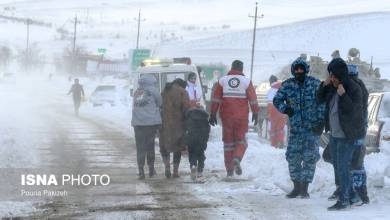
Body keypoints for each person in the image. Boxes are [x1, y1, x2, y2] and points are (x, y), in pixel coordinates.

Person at [317, 58, 365, 210]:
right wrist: (323, 86)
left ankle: (344, 201)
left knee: (344, 167)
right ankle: (352, 196)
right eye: (330, 76)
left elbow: (356, 112)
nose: (332, 79)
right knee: (338, 166)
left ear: (341, 75)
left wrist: (344, 95)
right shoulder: (332, 86)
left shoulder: (353, 88)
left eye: (334, 76)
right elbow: (318, 100)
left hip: (347, 135)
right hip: (335, 135)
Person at [273, 57, 325, 199]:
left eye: (302, 69)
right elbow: (277, 100)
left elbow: (322, 103)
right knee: (293, 157)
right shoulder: (288, 85)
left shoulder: (315, 84)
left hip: (311, 130)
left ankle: (304, 188)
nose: (299, 71)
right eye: (297, 69)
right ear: (293, 70)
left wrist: (321, 122)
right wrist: (286, 109)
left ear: (306, 69)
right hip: (296, 130)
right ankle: (296, 187)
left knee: (310, 158)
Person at [209, 60, 259, 177]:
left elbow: (215, 98)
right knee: (241, 141)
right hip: (241, 117)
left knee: (228, 144)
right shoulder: (246, 81)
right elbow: (253, 98)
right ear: (242, 69)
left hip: (226, 117)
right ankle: (237, 158)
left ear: (231, 68)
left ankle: (229, 171)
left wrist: (212, 113)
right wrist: (256, 112)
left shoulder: (222, 81)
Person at [131, 75, 162, 180]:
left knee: (140, 148)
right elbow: (160, 103)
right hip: (150, 124)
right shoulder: (154, 90)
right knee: (150, 147)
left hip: (138, 124)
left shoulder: (137, 92)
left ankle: (141, 171)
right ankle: (151, 170)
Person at [160, 78, 190, 178]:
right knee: (177, 147)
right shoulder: (183, 92)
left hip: (164, 123)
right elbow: (186, 108)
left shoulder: (165, 90)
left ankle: (167, 167)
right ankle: (175, 171)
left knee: (164, 146)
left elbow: (160, 105)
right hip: (178, 124)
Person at [185, 107, 210, 180]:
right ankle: (200, 171)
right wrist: (205, 141)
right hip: (201, 141)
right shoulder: (204, 120)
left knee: (192, 154)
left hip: (191, 140)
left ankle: (193, 165)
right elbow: (207, 132)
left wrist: (187, 140)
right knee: (201, 155)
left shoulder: (189, 119)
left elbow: (186, 129)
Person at [266, 75, 287, 148]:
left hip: (273, 109)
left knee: (273, 127)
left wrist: (268, 113)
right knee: (281, 127)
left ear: (270, 82)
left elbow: (269, 103)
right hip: (282, 109)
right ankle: (280, 141)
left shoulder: (271, 90)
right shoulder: (283, 88)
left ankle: (274, 144)